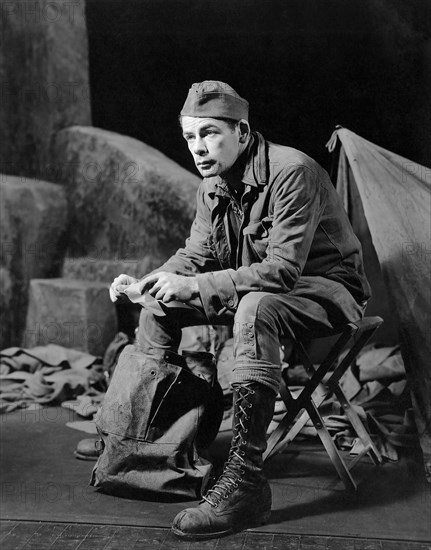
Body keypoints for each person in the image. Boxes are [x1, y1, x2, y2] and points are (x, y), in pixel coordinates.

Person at [109, 80, 371, 540]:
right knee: (158, 307)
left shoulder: (293, 172)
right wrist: (151, 281)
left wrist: (190, 285)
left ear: (243, 132)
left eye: (210, 133)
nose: (198, 147)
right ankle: (145, 445)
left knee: (255, 306)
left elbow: (282, 272)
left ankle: (246, 481)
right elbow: (196, 255)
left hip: (329, 292)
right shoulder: (211, 185)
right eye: (190, 137)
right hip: (259, 290)